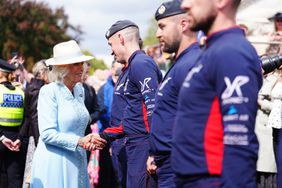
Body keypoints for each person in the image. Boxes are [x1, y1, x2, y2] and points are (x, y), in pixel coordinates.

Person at [171, 0, 263, 187]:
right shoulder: (213, 50)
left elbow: (239, 139)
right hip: (192, 177)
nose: (185, 5)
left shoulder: (231, 51)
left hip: (211, 179)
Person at [29, 40, 107, 188]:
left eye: (81, 63)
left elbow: (79, 124)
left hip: (77, 159)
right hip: (55, 162)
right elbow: (46, 134)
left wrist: (88, 139)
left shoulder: (80, 90)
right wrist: (79, 141)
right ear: (61, 68)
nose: (81, 68)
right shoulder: (49, 91)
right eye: (75, 64)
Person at [100, 20, 162, 187]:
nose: (111, 51)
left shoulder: (141, 64)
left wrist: (154, 152)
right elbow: (128, 113)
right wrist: (105, 136)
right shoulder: (129, 67)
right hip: (131, 147)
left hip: (143, 148)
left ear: (121, 38)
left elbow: (154, 108)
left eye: (110, 44)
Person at [147, 0, 201, 187]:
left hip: (180, 166)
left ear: (183, 25)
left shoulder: (191, 63)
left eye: (162, 26)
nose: (157, 34)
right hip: (167, 164)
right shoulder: (180, 63)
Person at [0, 58, 27, 188]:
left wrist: (2, 137)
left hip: (1, 137)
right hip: (16, 139)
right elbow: (27, 117)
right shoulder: (20, 92)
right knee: (14, 177)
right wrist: (20, 138)